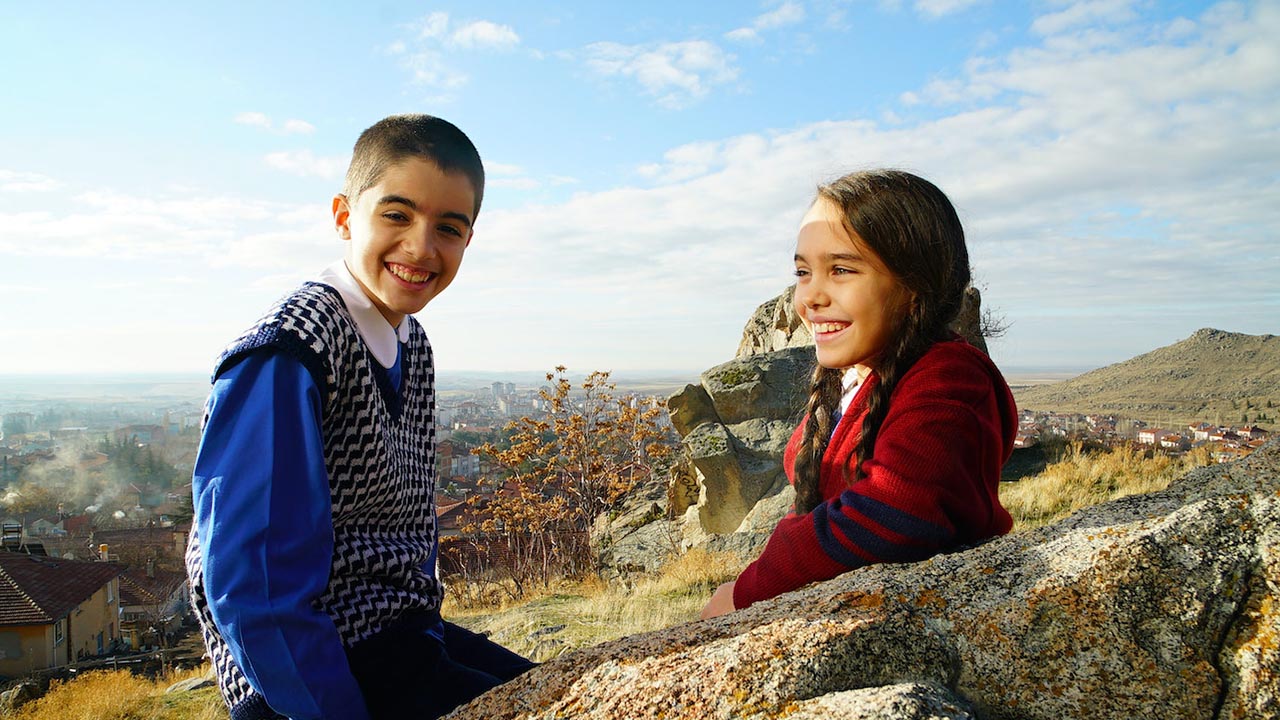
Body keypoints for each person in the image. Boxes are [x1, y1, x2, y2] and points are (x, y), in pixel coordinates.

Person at [185, 114, 535, 720]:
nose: (422, 247)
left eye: (448, 228)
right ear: (345, 216)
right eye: (396, 215)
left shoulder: (412, 341)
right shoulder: (291, 348)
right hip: (310, 673)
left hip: (400, 635)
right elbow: (252, 582)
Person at [701, 169, 1016, 618]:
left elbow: (896, 512)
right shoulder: (851, 378)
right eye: (803, 272)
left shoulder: (949, 377)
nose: (810, 296)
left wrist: (748, 592)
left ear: (914, 286)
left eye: (842, 269)